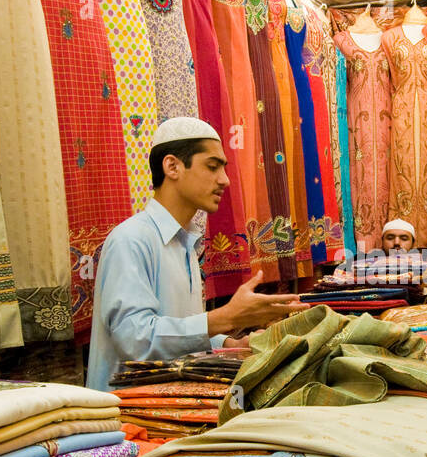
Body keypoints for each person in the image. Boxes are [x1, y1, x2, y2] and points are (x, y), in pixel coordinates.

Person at [86, 117, 308, 390]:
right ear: (172, 167)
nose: (224, 180)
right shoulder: (130, 241)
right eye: (212, 167)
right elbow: (136, 340)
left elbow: (179, 329)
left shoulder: (186, 242)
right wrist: (227, 317)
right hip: (128, 418)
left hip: (171, 405)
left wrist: (229, 343)